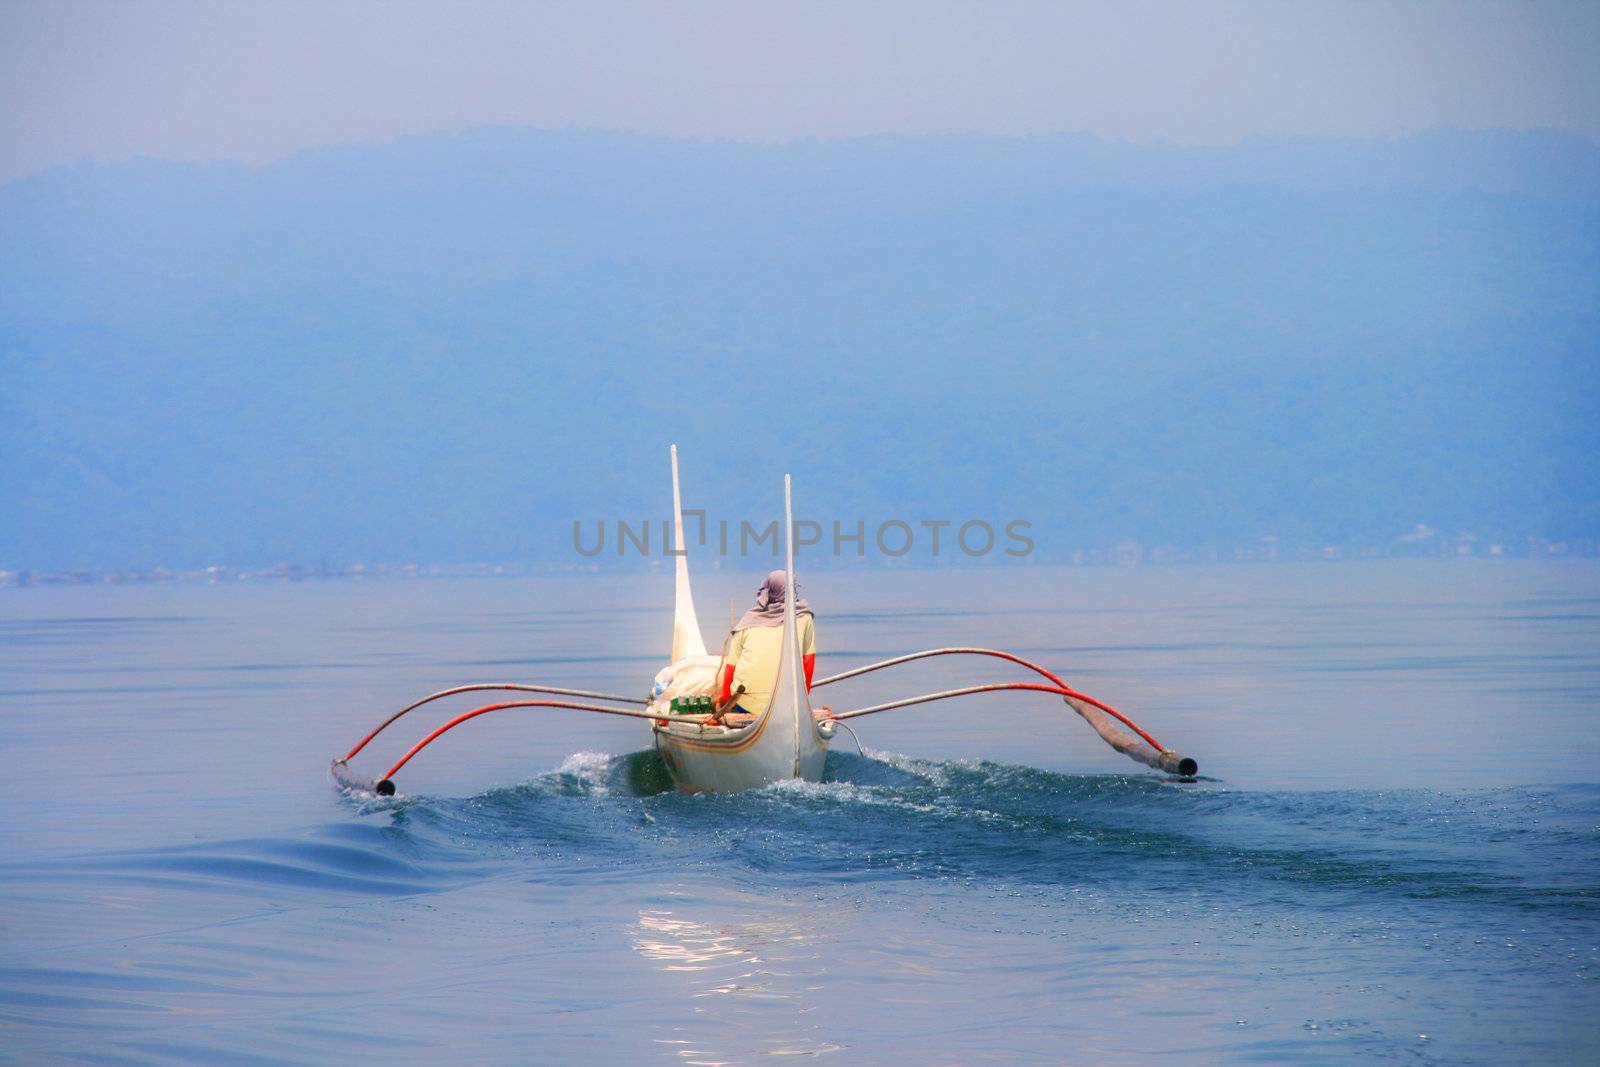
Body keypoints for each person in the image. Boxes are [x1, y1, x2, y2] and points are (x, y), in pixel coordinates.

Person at [716, 570, 816, 718]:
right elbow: (808, 661)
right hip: (787, 702)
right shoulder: (803, 616)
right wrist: (802, 698)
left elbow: (731, 668)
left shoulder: (747, 622)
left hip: (744, 702)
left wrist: (725, 701)